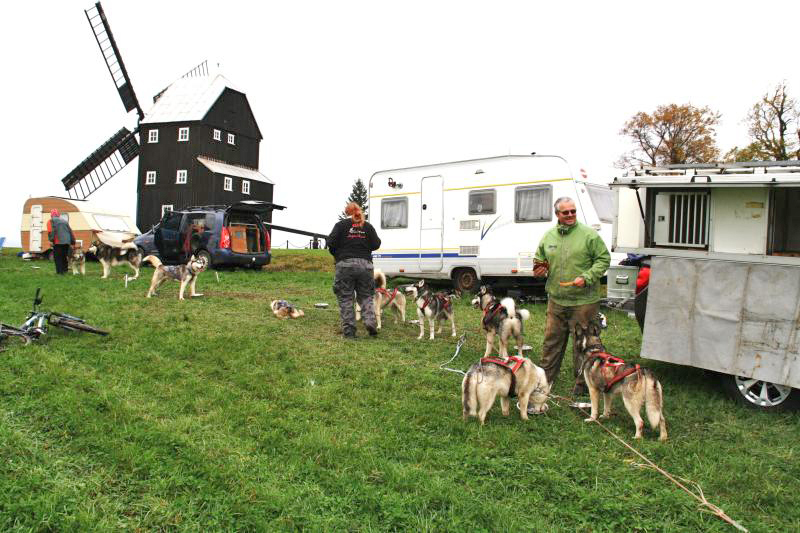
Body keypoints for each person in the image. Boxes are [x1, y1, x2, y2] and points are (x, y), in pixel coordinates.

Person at [533, 196, 610, 397]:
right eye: (565, 212)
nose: (570, 215)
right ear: (557, 214)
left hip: (584, 302)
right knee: (551, 343)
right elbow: (539, 260)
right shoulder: (548, 237)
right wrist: (539, 269)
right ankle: (544, 382)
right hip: (556, 300)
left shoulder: (589, 235)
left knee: (583, 345)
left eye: (573, 211)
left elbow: (603, 259)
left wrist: (587, 277)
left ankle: (583, 387)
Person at [328, 202, 382, 338]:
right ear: (359, 211)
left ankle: (349, 332)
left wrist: (338, 254)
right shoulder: (367, 226)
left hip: (344, 264)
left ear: (347, 212)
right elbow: (376, 244)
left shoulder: (340, 225)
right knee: (366, 296)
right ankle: (370, 322)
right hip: (365, 265)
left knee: (345, 297)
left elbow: (331, 242)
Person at [47, 208, 75, 275]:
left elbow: (50, 231)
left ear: (51, 215)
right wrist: (73, 241)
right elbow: (70, 231)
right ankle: (65, 271)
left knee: (57, 257)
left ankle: (59, 272)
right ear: (58, 214)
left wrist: (51, 240)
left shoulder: (50, 221)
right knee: (64, 256)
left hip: (58, 241)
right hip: (67, 241)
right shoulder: (64, 221)